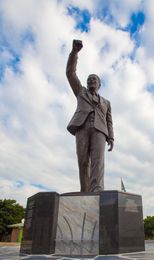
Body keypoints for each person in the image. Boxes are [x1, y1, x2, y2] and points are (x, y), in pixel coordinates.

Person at [66, 40, 114, 192]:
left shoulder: (106, 102)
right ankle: (85, 191)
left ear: (99, 84)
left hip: (100, 130)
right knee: (83, 161)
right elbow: (70, 73)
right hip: (82, 128)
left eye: (94, 79)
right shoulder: (81, 92)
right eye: (89, 79)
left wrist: (111, 137)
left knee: (98, 161)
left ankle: (97, 189)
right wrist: (74, 53)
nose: (91, 80)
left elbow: (109, 121)